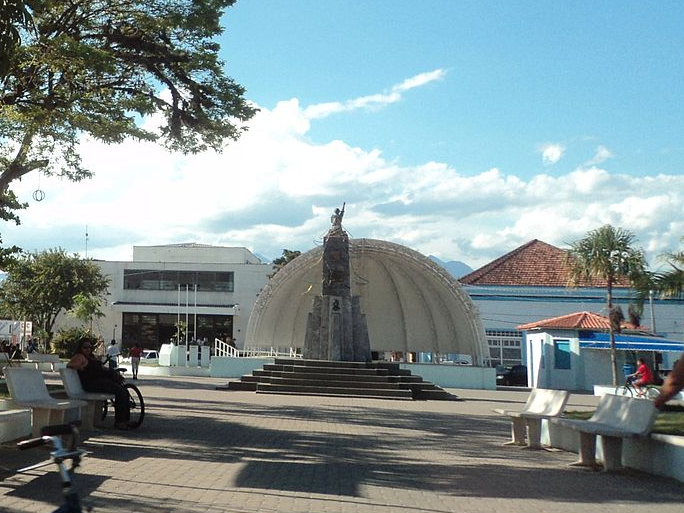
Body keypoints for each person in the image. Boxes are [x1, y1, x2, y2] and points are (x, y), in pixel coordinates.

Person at [68, 338, 132, 430]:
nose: (88, 349)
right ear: (80, 347)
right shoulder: (79, 356)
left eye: (90, 347)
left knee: (123, 390)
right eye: (85, 347)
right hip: (91, 384)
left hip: (99, 381)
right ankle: (119, 421)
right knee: (119, 391)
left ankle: (125, 419)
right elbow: (69, 365)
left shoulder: (91, 357)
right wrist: (81, 366)